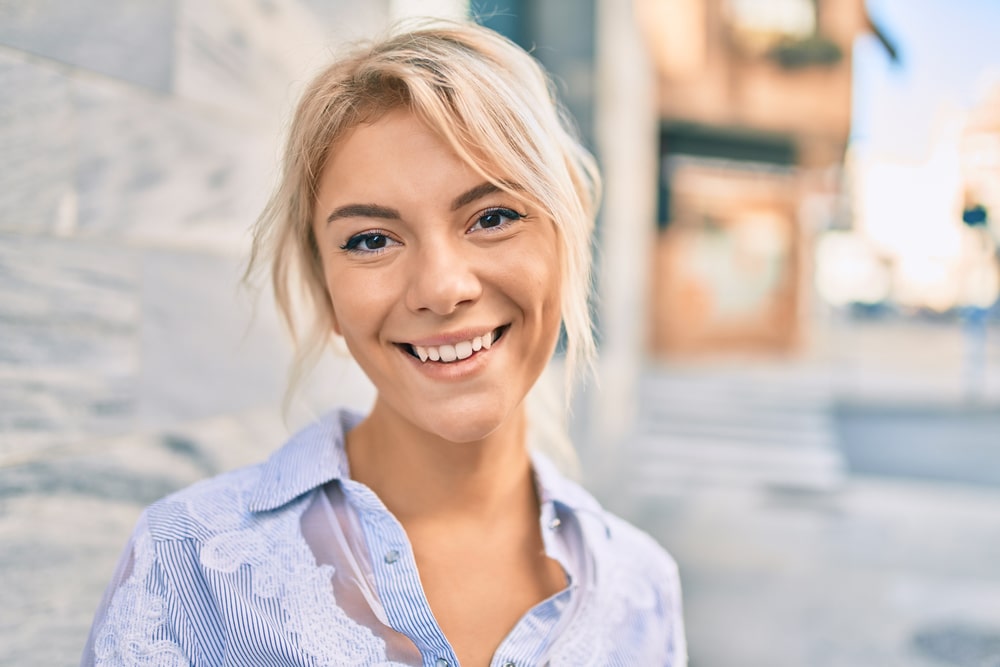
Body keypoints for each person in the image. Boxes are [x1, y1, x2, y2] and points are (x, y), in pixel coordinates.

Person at [81, 18, 686, 667]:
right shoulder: (189, 563)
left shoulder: (640, 589)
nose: (441, 287)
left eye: (493, 217)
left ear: (565, 241)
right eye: (371, 239)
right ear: (325, 290)